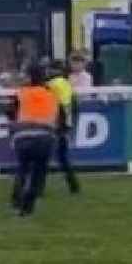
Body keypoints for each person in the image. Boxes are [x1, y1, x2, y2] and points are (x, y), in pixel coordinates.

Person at [8, 65, 59, 216]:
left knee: (22, 168)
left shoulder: (21, 93)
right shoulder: (51, 95)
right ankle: (27, 207)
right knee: (38, 172)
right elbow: (58, 115)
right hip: (45, 137)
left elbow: (10, 112)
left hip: (23, 136)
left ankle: (16, 201)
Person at [46, 60, 80, 194]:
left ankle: (38, 188)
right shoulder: (67, 84)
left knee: (43, 158)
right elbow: (74, 105)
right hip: (65, 124)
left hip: (54, 124)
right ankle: (74, 186)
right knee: (62, 157)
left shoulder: (51, 84)